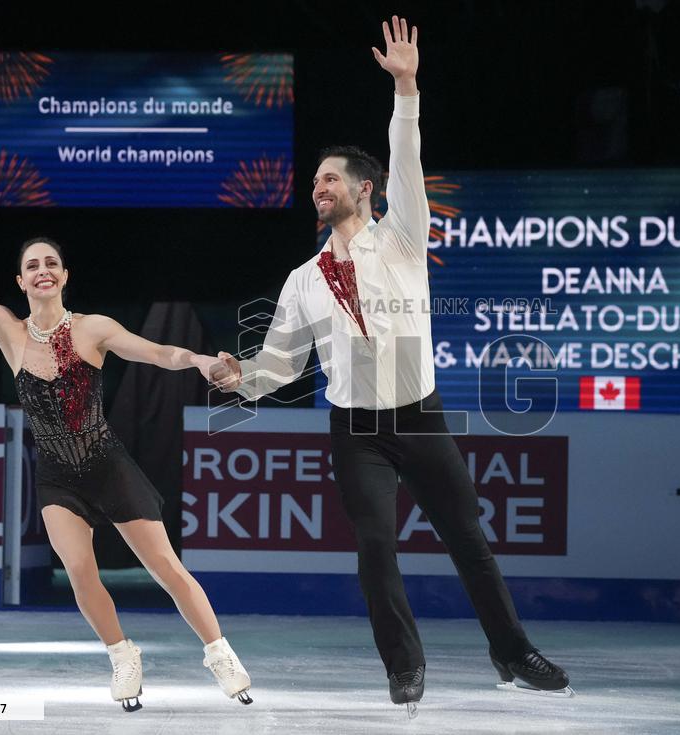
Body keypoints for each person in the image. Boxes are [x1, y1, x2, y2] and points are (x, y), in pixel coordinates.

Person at [208, 16, 571, 714]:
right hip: (357, 428)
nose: (319, 187)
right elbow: (280, 365)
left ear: (365, 190)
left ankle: (511, 649)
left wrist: (406, 88)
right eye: (315, 180)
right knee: (375, 544)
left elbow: (406, 157)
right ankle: (403, 666)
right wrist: (239, 377)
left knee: (470, 539)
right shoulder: (303, 277)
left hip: (422, 415)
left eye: (330, 179)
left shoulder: (403, 237)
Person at [0, 173, 252, 711]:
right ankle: (123, 655)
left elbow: (157, 353)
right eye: (32, 265)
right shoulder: (9, 332)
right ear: (20, 280)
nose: (42, 271)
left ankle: (219, 652)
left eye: (50, 263)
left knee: (166, 568)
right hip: (58, 477)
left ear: (64, 276)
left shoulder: (94, 328)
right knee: (80, 571)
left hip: (107, 465)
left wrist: (200, 360)